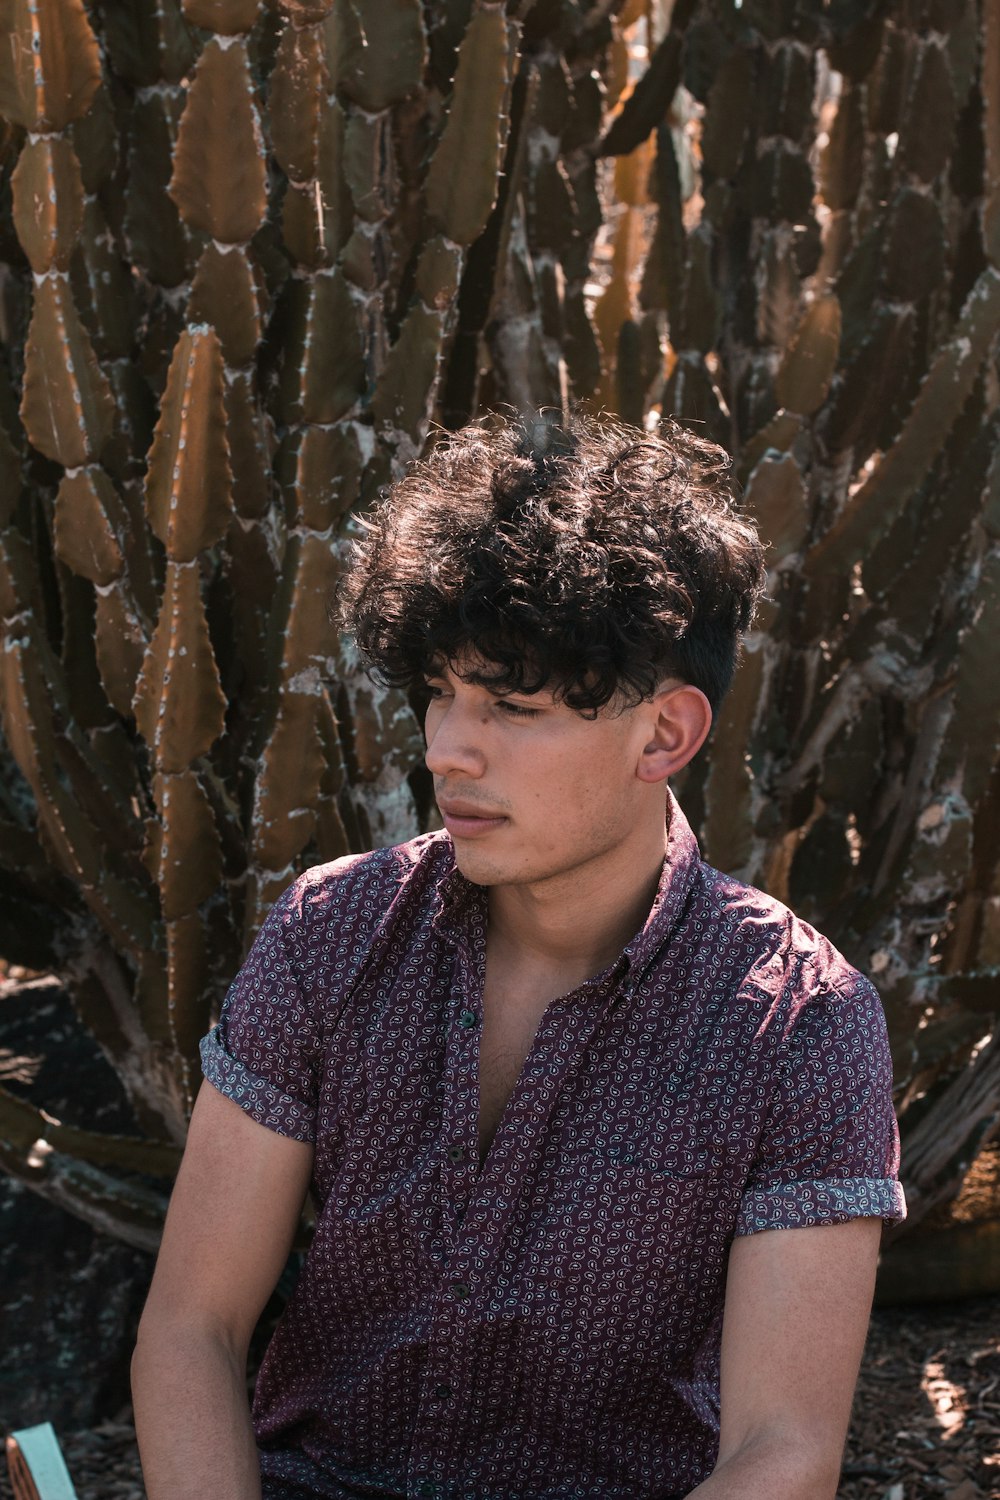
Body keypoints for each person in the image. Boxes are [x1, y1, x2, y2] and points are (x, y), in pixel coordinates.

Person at [132, 410, 906, 1500]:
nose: (448, 748)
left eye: (511, 705)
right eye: (441, 695)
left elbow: (782, 1453)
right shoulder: (330, 935)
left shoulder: (799, 1022)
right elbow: (191, 1327)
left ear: (664, 736)